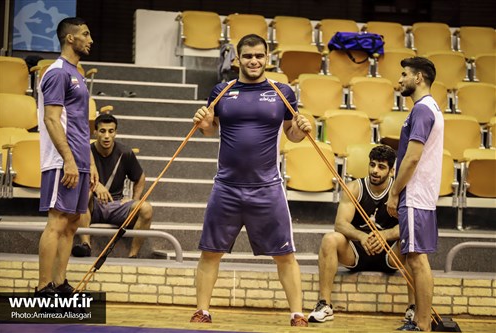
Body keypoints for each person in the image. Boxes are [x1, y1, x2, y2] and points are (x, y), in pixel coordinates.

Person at [190, 34, 312, 327]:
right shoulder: (222, 91)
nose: (254, 61)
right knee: (210, 252)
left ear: (267, 57)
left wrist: (305, 128)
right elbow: (209, 130)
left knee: (285, 255)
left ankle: (297, 314)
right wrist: (202, 123)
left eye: (259, 56)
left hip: (268, 188)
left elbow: (292, 134)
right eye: (247, 56)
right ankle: (202, 311)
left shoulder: (282, 92)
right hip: (226, 187)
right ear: (238, 59)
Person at [308, 145, 415, 324]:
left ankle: (413, 308)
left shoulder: (399, 192)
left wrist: (385, 236)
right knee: (329, 239)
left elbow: (408, 226)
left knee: (412, 241)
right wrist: (362, 236)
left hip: (389, 254)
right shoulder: (354, 188)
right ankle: (325, 305)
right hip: (356, 251)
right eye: (372, 165)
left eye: (381, 167)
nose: (375, 170)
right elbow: (340, 224)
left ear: (391, 170)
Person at [36, 17, 97, 295]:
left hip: (80, 160)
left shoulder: (77, 74)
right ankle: (43, 287)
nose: (90, 40)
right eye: (85, 34)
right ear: (70, 38)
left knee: (73, 222)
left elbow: (82, 124)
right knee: (57, 221)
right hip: (63, 161)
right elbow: (51, 120)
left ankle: (60, 284)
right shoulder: (57, 72)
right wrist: (69, 160)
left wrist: (90, 163)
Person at [387, 57, 443, 332]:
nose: (400, 80)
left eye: (404, 74)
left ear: (418, 78)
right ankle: (423, 322)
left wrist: (394, 192)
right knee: (416, 258)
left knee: (416, 259)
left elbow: (412, 158)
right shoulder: (429, 108)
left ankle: (422, 324)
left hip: (415, 193)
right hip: (423, 194)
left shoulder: (422, 110)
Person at [71, 113, 153, 258]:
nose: (107, 136)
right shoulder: (86, 152)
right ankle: (86, 245)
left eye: (111, 131)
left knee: (146, 208)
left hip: (117, 205)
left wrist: (134, 199)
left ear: (116, 132)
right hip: (92, 206)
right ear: (95, 132)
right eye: (102, 131)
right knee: (84, 195)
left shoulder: (125, 153)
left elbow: (140, 178)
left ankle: (133, 255)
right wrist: (95, 186)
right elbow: (77, 180)